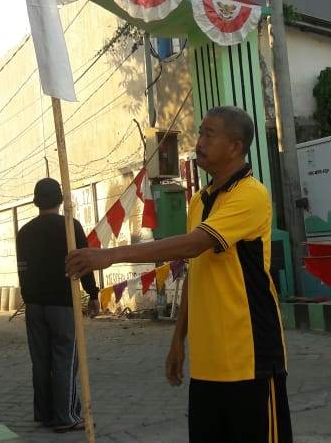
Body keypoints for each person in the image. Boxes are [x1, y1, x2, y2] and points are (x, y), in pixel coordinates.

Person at [66, 106, 291, 443]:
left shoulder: (251, 195)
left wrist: (111, 255)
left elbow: (193, 245)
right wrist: (177, 339)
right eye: (200, 133)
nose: (199, 142)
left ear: (235, 146)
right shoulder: (199, 200)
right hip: (207, 364)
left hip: (250, 359)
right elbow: (194, 270)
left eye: (209, 135)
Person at [16, 177, 99, 434]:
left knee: (40, 360)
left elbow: (22, 270)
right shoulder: (70, 226)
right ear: (61, 200)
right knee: (65, 359)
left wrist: (30, 297)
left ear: (36, 201)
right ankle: (65, 416)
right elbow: (83, 263)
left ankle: (45, 414)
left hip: (34, 306)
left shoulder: (24, 232)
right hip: (62, 305)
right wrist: (93, 294)